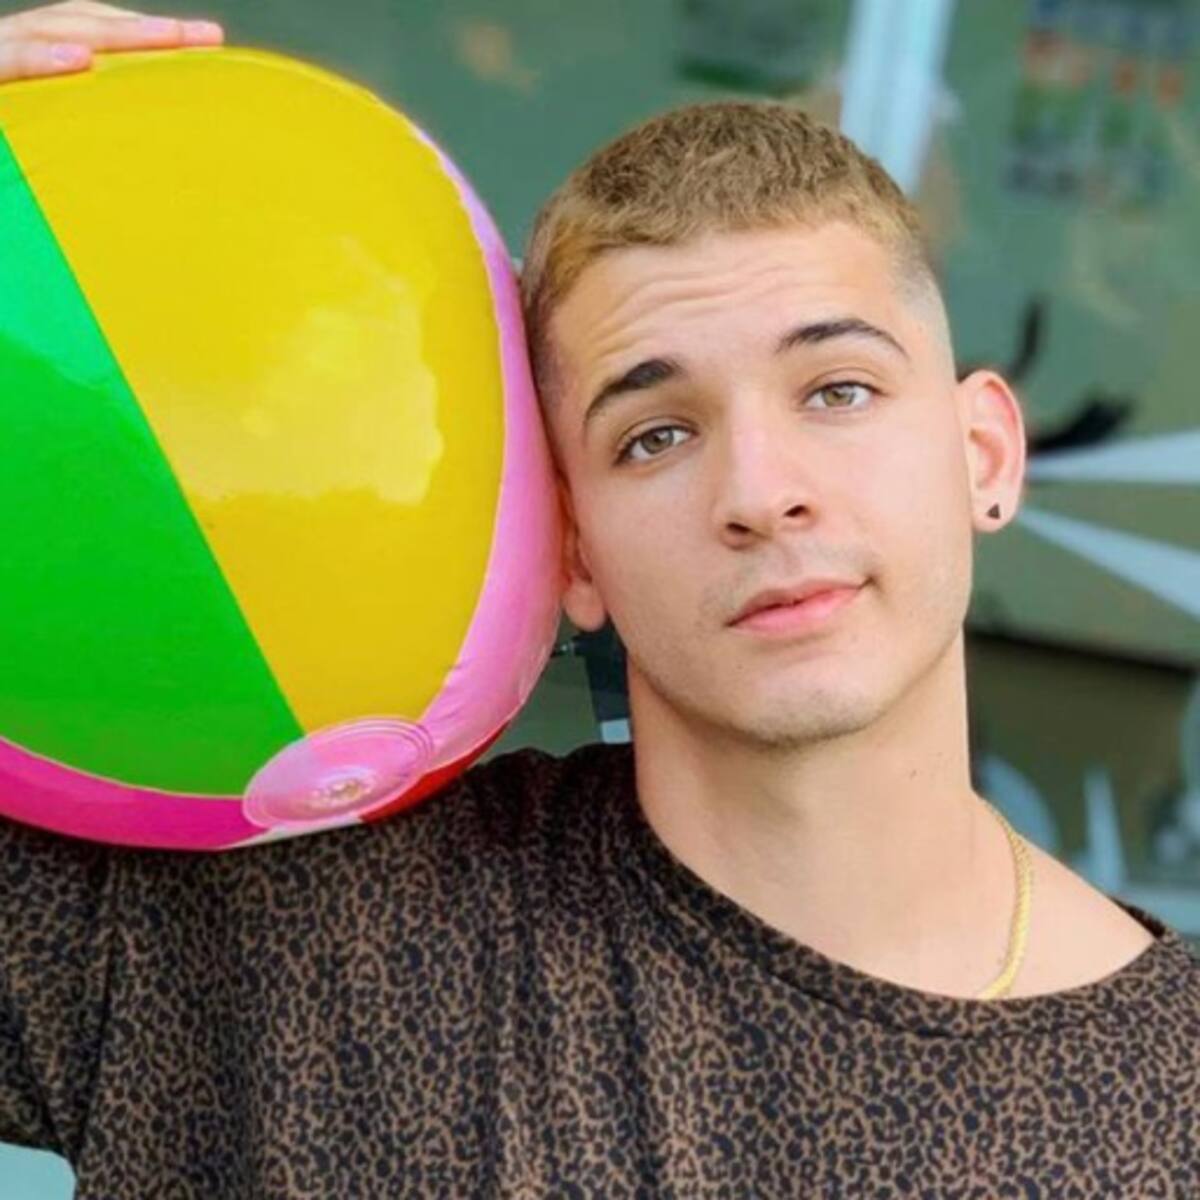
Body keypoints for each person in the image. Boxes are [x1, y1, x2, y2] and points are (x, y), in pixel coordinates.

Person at [1, 5, 1197, 1197]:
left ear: (984, 454)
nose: (760, 494)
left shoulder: (1175, 1087)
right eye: (655, 435)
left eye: (837, 390)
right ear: (571, 549)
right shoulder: (282, 940)